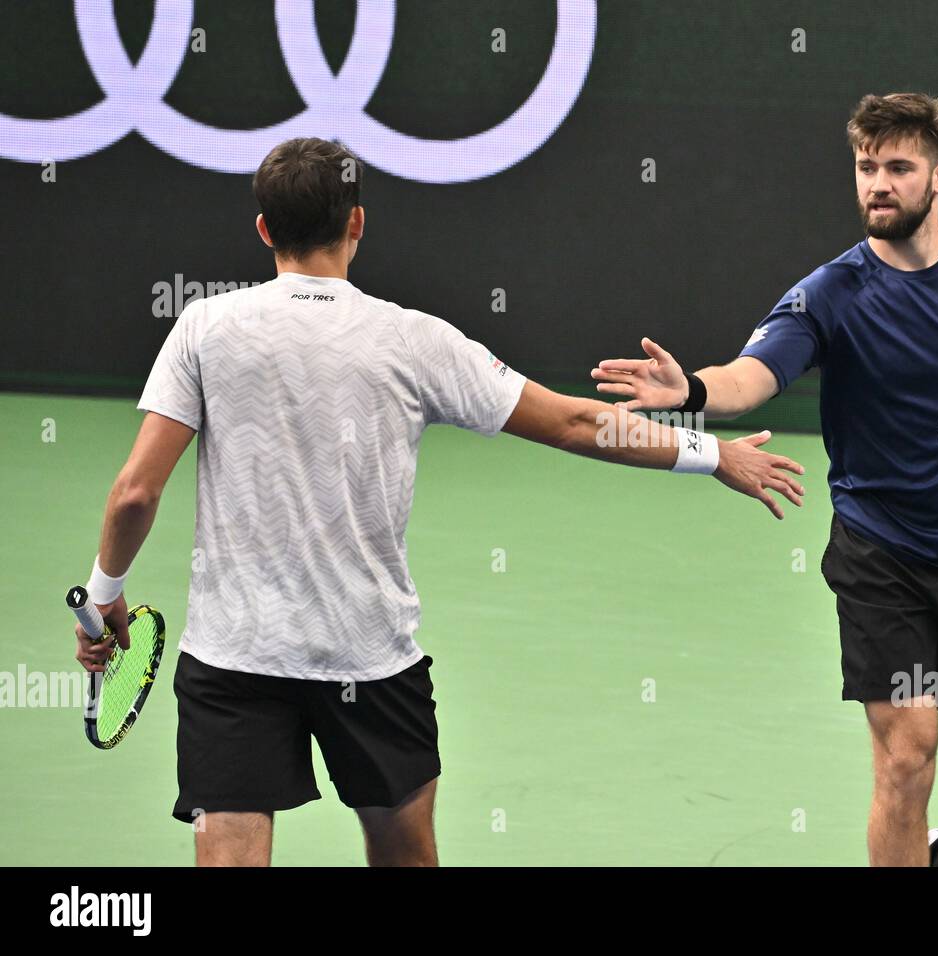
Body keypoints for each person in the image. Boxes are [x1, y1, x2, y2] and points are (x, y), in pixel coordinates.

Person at [72, 136, 805, 867]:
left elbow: (137, 491)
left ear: (264, 230)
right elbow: (575, 422)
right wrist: (714, 454)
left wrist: (107, 590)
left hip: (234, 661)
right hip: (371, 660)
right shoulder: (415, 339)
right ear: (357, 224)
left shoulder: (204, 327)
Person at [591, 92, 938, 866]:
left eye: (899, 167)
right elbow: (753, 374)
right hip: (885, 559)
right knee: (907, 755)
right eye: (866, 167)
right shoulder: (828, 294)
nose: (878, 182)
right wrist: (696, 393)